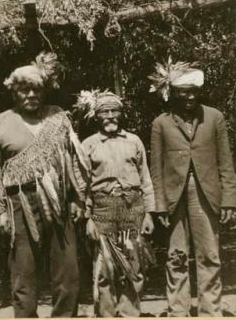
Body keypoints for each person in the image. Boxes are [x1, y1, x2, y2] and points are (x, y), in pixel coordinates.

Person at [0, 52, 89, 318]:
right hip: (20, 203)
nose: (31, 95)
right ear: (14, 93)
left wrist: (78, 199)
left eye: (36, 90)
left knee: (68, 271)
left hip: (60, 201)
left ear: (44, 91)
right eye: (24, 90)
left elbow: (74, 160)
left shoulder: (58, 117)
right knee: (23, 270)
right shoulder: (1, 123)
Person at [148, 61, 236, 316]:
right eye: (183, 91)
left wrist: (229, 198)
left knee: (209, 253)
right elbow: (156, 168)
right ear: (173, 93)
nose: (189, 96)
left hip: (206, 194)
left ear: (199, 91)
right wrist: (159, 205)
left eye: (193, 91)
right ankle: (178, 310)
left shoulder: (214, 117)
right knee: (176, 255)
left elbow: (225, 161)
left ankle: (211, 310)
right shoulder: (161, 123)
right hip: (173, 196)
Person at [75, 89, 155, 317]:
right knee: (104, 268)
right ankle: (106, 314)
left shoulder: (134, 141)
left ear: (120, 114)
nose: (110, 116)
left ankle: (130, 313)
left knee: (134, 266)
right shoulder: (89, 144)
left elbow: (145, 178)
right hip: (102, 209)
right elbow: (83, 185)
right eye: (105, 112)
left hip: (133, 208)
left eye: (114, 111)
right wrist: (88, 217)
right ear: (97, 116)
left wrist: (149, 212)